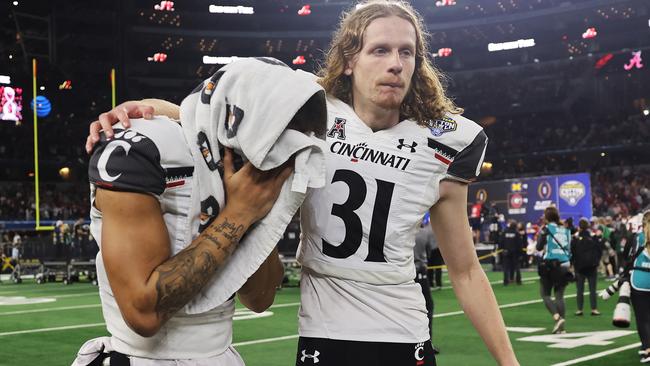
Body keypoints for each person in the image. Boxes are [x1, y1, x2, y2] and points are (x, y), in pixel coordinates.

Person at [88, 2, 519, 365]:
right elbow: (222, 115)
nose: (395, 63)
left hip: (403, 323)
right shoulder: (307, 111)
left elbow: (464, 270)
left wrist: (508, 361)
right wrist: (147, 109)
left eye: (407, 52)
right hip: (324, 327)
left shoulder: (446, 141)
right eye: (381, 49)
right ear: (349, 60)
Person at [76, 114, 291, 365]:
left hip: (222, 354)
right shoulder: (139, 150)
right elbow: (144, 314)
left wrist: (254, 214)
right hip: (144, 357)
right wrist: (239, 214)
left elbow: (260, 299)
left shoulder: (241, 162)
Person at [536, 206, 572, 334]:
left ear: (546, 217)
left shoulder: (546, 229)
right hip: (565, 263)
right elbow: (570, 248)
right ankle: (561, 328)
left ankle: (557, 317)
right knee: (559, 296)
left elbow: (539, 247)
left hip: (551, 264)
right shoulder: (566, 230)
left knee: (545, 294)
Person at [570, 218, 603, 316]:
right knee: (593, 289)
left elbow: (572, 252)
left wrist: (573, 264)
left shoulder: (575, 238)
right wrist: (596, 262)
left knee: (579, 289)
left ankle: (579, 309)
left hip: (579, 267)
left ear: (579, 227)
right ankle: (594, 309)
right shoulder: (593, 237)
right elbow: (599, 250)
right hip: (592, 266)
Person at [630, 211, 650, 363]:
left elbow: (628, 256)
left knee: (642, 319)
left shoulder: (638, 238)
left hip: (640, 281)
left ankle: (647, 348)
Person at [499, 220, 522, 286]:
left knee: (506, 267)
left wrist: (501, 250)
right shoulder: (516, 233)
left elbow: (501, 241)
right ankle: (518, 281)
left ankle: (506, 281)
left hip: (506, 252)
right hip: (515, 253)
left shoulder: (505, 232)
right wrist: (520, 253)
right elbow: (519, 244)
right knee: (517, 267)